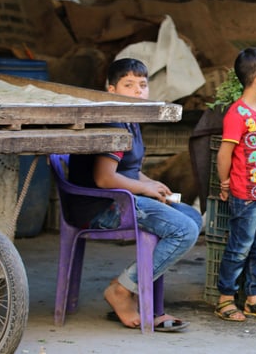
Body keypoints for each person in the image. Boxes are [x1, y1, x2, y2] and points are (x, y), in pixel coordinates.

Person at [67, 58, 202, 331]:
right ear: (112, 90)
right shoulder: (115, 124)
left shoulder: (132, 121)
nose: (138, 91)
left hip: (120, 197)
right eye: (129, 85)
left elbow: (129, 170)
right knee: (184, 230)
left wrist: (152, 184)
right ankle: (122, 290)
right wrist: (144, 188)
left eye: (142, 85)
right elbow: (104, 178)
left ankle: (134, 287)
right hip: (100, 206)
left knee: (191, 216)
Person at [215, 47, 256, 322]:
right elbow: (224, 153)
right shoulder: (237, 113)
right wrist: (224, 182)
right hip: (246, 196)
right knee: (240, 246)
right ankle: (225, 298)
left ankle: (254, 300)